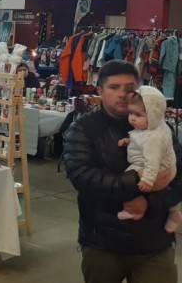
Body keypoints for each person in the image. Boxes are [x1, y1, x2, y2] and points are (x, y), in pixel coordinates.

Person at [64, 60, 182, 283]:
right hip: (104, 243)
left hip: (154, 243)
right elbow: (83, 177)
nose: (122, 94)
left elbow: (179, 174)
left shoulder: (158, 127)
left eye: (129, 88)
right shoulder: (83, 128)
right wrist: (136, 181)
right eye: (113, 87)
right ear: (100, 90)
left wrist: (151, 201)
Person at [116, 86, 181, 234]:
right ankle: (175, 210)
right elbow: (142, 142)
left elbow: (152, 160)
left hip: (157, 168)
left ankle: (134, 211)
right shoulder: (155, 126)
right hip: (169, 165)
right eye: (130, 112)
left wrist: (148, 179)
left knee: (126, 180)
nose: (132, 118)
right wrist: (130, 142)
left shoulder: (152, 138)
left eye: (138, 115)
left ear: (153, 115)